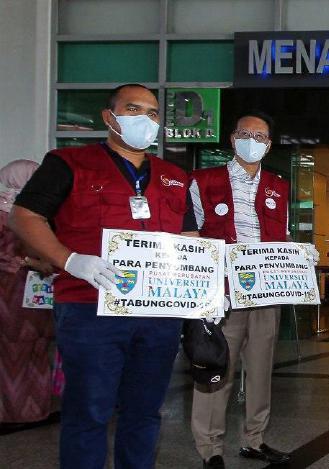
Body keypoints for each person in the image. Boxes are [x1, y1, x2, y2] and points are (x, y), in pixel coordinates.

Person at [9, 83, 198, 469]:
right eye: (134, 109)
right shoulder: (67, 163)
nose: (145, 119)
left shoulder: (174, 177)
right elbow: (25, 215)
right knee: (89, 411)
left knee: (145, 412)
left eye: (153, 113)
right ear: (109, 117)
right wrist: (70, 259)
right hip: (89, 308)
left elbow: (189, 240)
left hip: (158, 314)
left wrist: (203, 290)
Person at [190, 112, 304, 468]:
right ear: (233, 138)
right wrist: (205, 287)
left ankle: (254, 439)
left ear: (269, 146)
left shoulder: (278, 186)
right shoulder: (203, 181)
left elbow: (280, 236)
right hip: (221, 292)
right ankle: (210, 447)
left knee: (260, 369)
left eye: (260, 136)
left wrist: (296, 257)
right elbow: (191, 238)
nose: (252, 141)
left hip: (266, 291)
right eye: (245, 134)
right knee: (216, 367)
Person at [0, 160, 56, 427]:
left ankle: (36, 408)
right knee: (15, 351)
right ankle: (17, 412)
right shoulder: (7, 214)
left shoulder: (29, 212)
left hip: (30, 294)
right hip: (12, 293)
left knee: (35, 348)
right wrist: (34, 263)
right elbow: (8, 256)